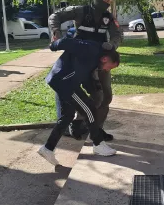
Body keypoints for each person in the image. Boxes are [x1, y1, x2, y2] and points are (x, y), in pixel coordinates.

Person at [49, 0, 123, 141]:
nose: (108, 4)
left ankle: (96, 128)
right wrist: (56, 32)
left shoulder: (108, 17)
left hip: (100, 63)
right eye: (106, 1)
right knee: (66, 90)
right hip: (78, 61)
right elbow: (55, 16)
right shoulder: (81, 11)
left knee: (105, 96)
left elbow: (118, 34)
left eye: (110, 1)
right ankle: (72, 124)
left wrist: (112, 45)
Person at [37, 37, 120, 166]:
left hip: (63, 81)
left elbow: (85, 75)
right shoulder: (90, 49)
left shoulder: (95, 60)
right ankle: (98, 144)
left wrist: (94, 88)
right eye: (110, 67)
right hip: (64, 81)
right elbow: (67, 42)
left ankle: (47, 148)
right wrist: (53, 45)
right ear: (105, 59)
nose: (107, 70)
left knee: (67, 116)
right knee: (89, 109)